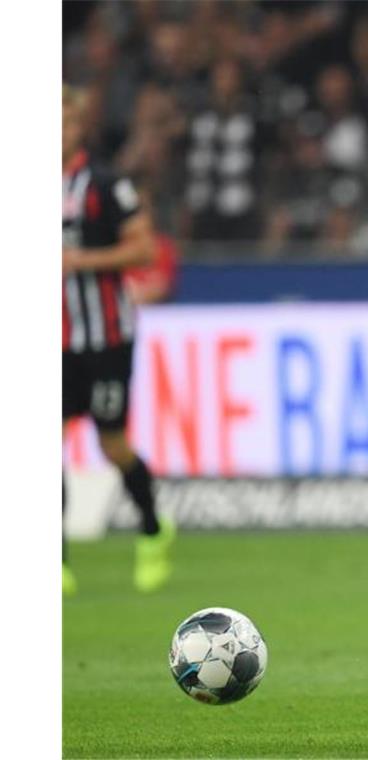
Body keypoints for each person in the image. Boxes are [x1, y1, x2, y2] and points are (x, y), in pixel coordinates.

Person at [62, 85, 176, 596]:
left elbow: (144, 249)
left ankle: (152, 527)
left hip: (105, 336)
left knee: (111, 444)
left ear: (80, 126)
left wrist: (80, 261)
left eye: (65, 119)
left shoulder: (104, 185)